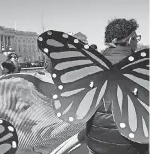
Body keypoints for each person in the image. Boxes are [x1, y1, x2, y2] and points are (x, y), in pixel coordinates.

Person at [54, 18, 149, 154]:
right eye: (136, 39)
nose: (136, 42)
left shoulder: (90, 64)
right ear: (129, 40)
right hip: (131, 145)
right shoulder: (143, 66)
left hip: (95, 142)